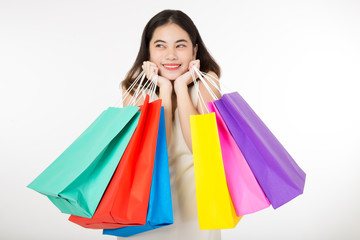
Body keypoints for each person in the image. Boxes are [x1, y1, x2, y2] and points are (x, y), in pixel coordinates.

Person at [121, 9, 222, 240]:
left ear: (194, 50)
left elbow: (201, 147)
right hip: (147, 210)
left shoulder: (207, 83)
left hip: (197, 211)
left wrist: (180, 88)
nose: (171, 55)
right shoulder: (134, 90)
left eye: (180, 45)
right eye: (160, 45)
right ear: (147, 50)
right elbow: (156, 150)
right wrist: (165, 90)